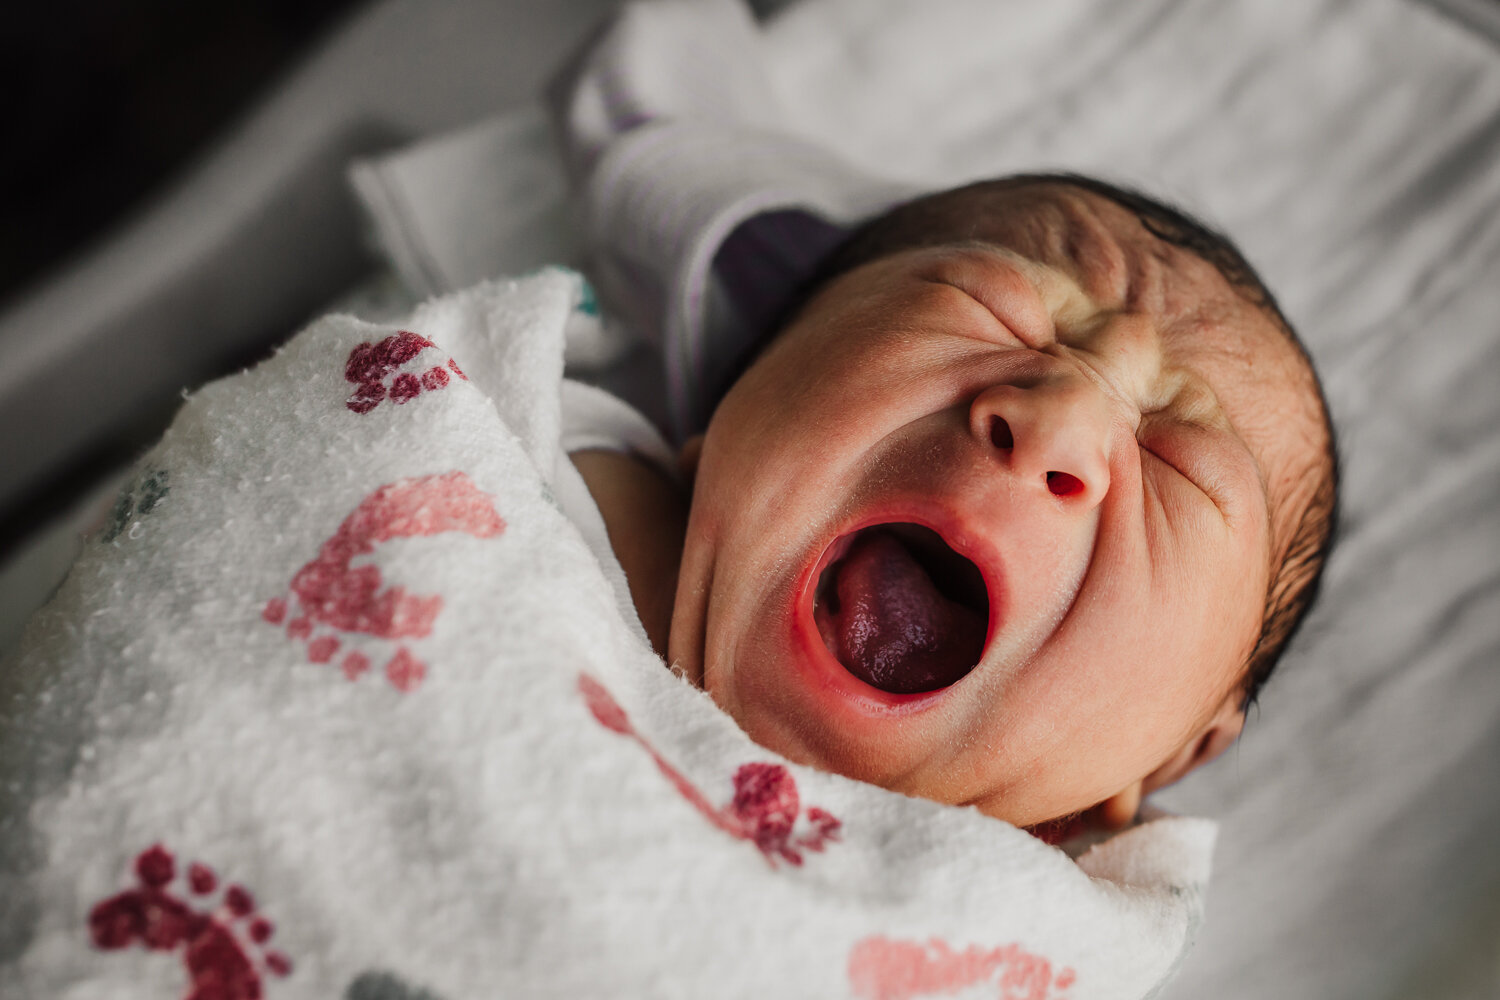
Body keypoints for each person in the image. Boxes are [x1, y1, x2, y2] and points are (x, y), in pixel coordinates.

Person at [567, 172, 1339, 837]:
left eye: (1186, 471)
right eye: (989, 306)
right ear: (738, 399)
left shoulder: (1051, 936)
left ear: (1171, 753)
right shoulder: (509, 437)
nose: (1057, 425)